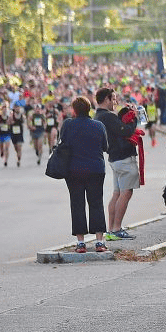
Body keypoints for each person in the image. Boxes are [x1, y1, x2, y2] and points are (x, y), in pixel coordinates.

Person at [58, 96, 109, 253]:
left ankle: (81, 243)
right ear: (89, 109)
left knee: (77, 204)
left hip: (74, 170)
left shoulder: (68, 125)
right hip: (95, 169)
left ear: (74, 110)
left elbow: (62, 141)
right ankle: (99, 241)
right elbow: (105, 146)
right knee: (96, 203)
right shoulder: (98, 125)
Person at [95, 87, 140, 240]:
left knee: (117, 194)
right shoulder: (107, 116)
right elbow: (126, 131)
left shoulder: (99, 116)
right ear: (106, 99)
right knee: (126, 193)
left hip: (114, 158)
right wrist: (134, 118)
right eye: (113, 99)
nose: (115, 102)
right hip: (123, 158)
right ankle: (116, 228)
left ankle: (112, 229)